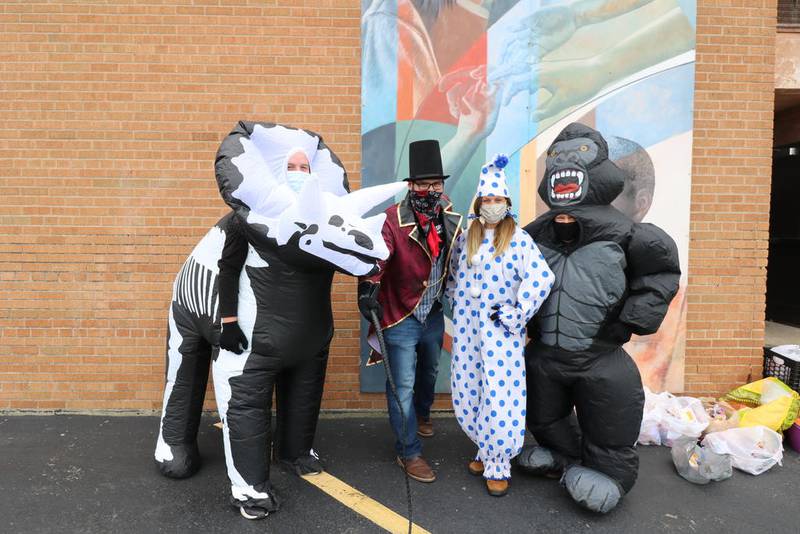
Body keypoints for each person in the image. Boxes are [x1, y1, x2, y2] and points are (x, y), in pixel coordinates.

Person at [154, 121, 406, 521]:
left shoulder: (322, 211)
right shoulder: (248, 223)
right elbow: (228, 269)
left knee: (306, 379)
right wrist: (230, 322)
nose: (299, 172)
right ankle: (234, 479)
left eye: (305, 167)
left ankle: (295, 449)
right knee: (228, 387)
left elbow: (346, 251)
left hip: (307, 327)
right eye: (292, 166)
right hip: (230, 317)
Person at [518, 122, 680, 513]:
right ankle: (562, 454)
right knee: (542, 413)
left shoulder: (627, 233)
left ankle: (609, 474)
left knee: (610, 419)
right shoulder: (532, 235)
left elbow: (660, 272)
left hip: (600, 356)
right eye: (558, 155)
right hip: (545, 354)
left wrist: (629, 320)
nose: (568, 161)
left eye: (581, 153)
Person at [445, 154, 552, 496]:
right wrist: (459, 307)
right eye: (487, 199)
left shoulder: (518, 240)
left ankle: (499, 461)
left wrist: (516, 313)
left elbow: (541, 278)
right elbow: (453, 278)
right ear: (478, 203)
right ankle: (483, 446)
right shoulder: (467, 238)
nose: (492, 205)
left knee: (499, 395)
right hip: (467, 333)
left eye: (497, 199)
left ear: (507, 203)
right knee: (469, 390)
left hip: (500, 334)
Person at [357, 139, 463, 483]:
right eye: (423, 184)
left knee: (429, 374)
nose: (430, 190)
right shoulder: (392, 220)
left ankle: (421, 414)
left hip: (431, 313)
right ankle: (409, 451)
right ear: (410, 186)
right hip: (400, 316)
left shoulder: (449, 220)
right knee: (401, 385)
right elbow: (378, 256)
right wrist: (369, 285)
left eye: (436, 184)